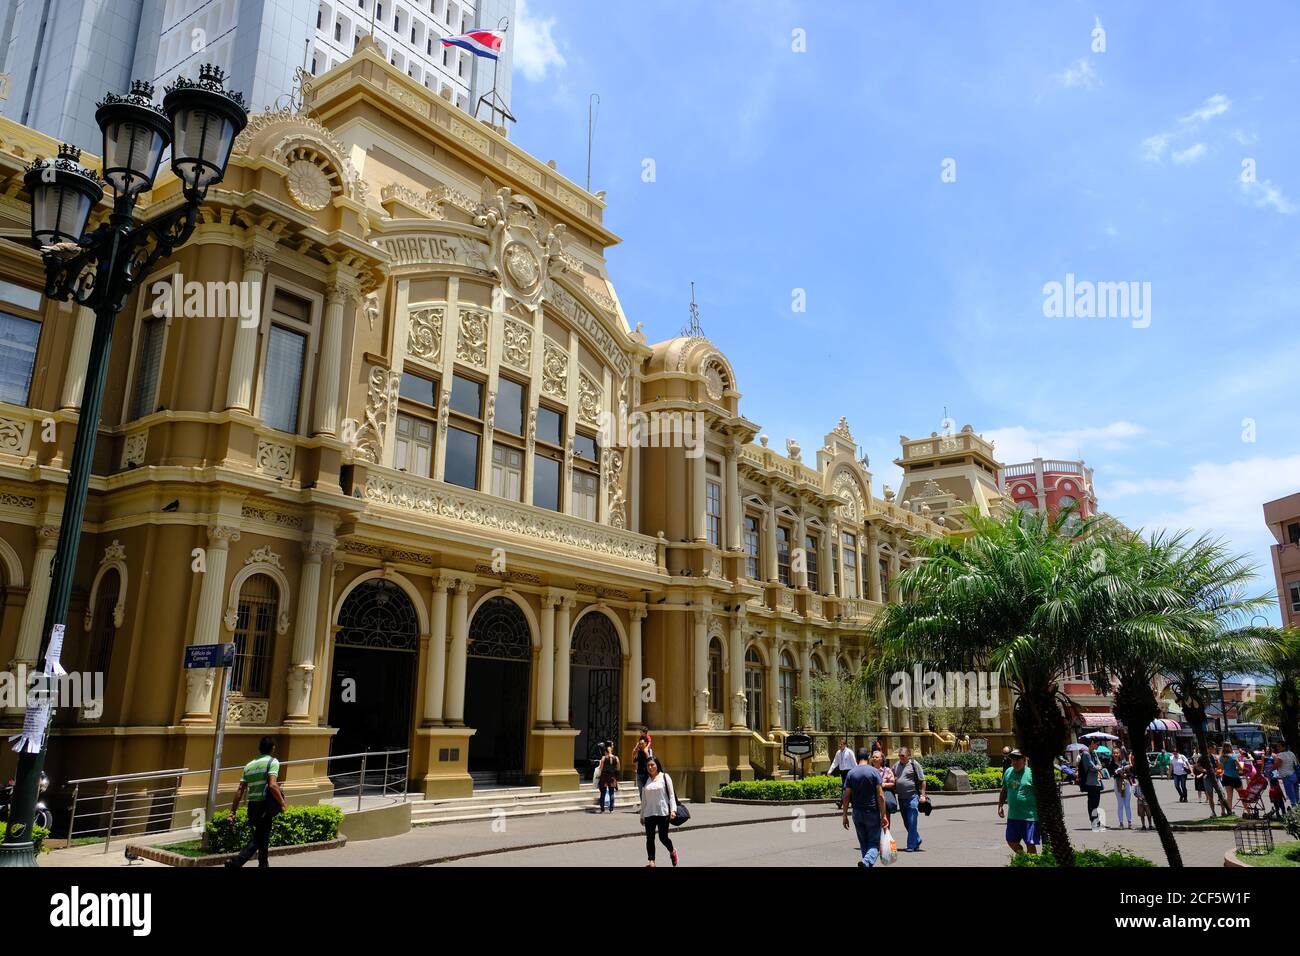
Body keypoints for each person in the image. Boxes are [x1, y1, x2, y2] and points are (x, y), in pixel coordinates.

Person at [224, 735, 287, 868]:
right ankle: (236, 862)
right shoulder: (272, 762)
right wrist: (282, 803)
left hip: (252, 806)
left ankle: (263, 865)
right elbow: (272, 785)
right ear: (273, 748)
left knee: (263, 837)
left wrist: (232, 811)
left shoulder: (249, 765)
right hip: (264, 805)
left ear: (259, 749)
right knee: (259, 838)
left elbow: (240, 789)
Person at [841, 747, 888, 867]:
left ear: (856, 758)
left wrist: (845, 815)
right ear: (868, 758)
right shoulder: (874, 772)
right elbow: (881, 796)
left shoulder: (851, 773)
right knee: (874, 843)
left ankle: (865, 863)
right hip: (871, 811)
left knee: (863, 842)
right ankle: (866, 862)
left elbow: (846, 796)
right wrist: (883, 815)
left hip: (857, 812)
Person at [639, 756, 677, 867]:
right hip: (649, 813)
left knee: (663, 837)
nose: (650, 767)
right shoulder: (646, 780)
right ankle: (652, 861)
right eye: (648, 766)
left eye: (652, 765)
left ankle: (672, 851)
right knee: (649, 838)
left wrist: (673, 810)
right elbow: (644, 799)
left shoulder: (665, 777)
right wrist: (642, 815)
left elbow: (671, 795)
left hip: (663, 812)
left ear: (657, 765)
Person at [998, 749, 1038, 855]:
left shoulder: (1031, 773)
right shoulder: (1008, 772)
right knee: (1011, 841)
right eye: (1013, 759)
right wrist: (1000, 806)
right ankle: (1024, 858)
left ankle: (1033, 862)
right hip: (1013, 816)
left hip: (1029, 816)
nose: (1015, 762)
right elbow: (1004, 789)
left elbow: (1041, 793)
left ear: (1024, 760)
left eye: (1018, 759)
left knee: (1030, 843)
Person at [892, 745, 928, 852]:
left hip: (913, 797)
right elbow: (891, 775)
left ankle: (911, 845)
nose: (901, 758)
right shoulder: (896, 765)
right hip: (901, 798)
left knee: (912, 821)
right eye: (899, 756)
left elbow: (922, 780)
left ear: (909, 755)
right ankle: (917, 839)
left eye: (903, 756)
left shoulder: (914, 765)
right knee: (907, 822)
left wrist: (922, 795)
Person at [1078, 739, 1105, 830]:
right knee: (1092, 802)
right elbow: (1091, 767)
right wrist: (1098, 767)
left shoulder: (1094, 753)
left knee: (1096, 802)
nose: (1098, 746)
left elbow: (1099, 764)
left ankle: (1096, 820)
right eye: (1097, 744)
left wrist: (1098, 767)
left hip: (1096, 781)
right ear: (1092, 743)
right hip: (1090, 782)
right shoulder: (1086, 754)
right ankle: (1093, 821)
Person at [870, 750, 897, 815]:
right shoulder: (869, 770)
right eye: (873, 757)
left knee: (885, 817)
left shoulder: (887, 770)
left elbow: (892, 783)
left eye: (876, 757)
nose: (874, 759)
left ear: (881, 759)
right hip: (872, 798)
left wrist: (883, 785)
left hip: (884, 796)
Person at [597, 743, 620, 813]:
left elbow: (600, 768)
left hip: (604, 776)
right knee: (611, 793)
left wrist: (598, 775)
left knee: (603, 793)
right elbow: (618, 768)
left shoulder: (604, 758)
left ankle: (602, 809)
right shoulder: (616, 758)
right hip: (612, 776)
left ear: (606, 752)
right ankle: (611, 809)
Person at [1273, 742, 1298, 806]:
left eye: (1279, 746)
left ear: (1284, 747)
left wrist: (1268, 770)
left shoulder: (1280, 755)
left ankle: (1295, 811)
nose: (1277, 748)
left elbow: (1277, 765)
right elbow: (1296, 763)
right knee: (1296, 795)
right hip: (1294, 775)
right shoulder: (1291, 753)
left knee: (1291, 795)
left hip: (1287, 777)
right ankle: (1298, 809)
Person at [632, 732, 653, 807]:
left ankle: (648, 806)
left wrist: (646, 752)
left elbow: (650, 761)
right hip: (639, 773)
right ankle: (643, 807)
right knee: (641, 791)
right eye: (639, 744)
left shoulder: (649, 751)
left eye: (642, 743)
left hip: (646, 774)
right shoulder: (639, 752)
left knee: (647, 790)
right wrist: (634, 752)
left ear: (646, 743)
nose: (640, 745)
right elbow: (634, 760)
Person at [1220, 744, 1241, 815]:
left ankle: (1229, 811)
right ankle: (1248, 811)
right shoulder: (1233, 756)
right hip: (1235, 777)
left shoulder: (1221, 757)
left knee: (1229, 796)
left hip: (1226, 777)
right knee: (1242, 795)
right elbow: (1239, 767)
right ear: (1230, 747)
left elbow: (1222, 768)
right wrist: (1239, 769)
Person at [1113, 755, 1133, 829]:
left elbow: (1130, 773)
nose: (1115, 755)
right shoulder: (1112, 763)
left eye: (1117, 753)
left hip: (1126, 783)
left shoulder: (1124, 762)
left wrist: (1125, 773)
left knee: (1127, 804)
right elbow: (1114, 773)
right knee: (1120, 804)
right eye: (1114, 753)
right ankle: (1121, 823)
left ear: (1119, 754)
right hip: (1118, 784)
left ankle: (1129, 822)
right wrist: (1119, 772)